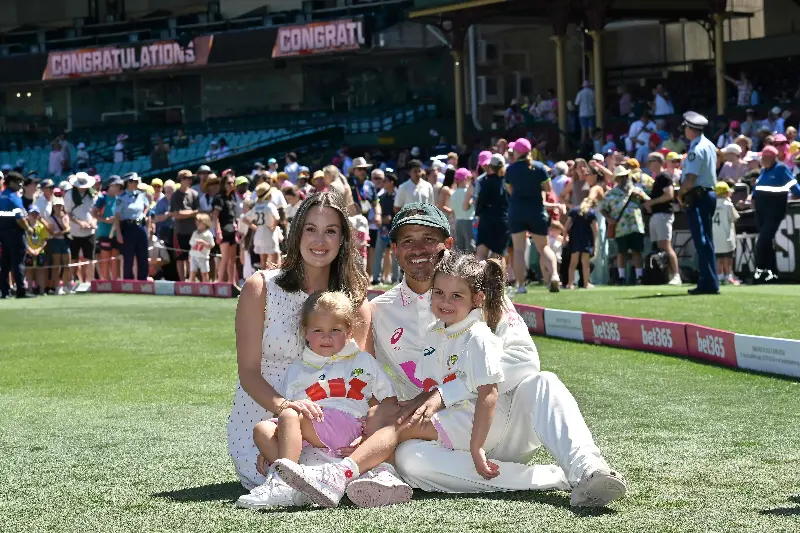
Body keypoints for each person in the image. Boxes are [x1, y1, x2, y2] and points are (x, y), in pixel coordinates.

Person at [352, 203, 626, 505]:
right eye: (407, 240)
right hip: (443, 435)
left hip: (504, 420)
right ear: (394, 249)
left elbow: (524, 359)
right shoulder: (380, 310)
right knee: (410, 462)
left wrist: (446, 392)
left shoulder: (482, 291)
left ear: (448, 245)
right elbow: (366, 376)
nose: (418, 248)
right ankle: (552, 478)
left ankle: (589, 468)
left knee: (543, 382)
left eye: (429, 238)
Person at [274, 251, 533, 508]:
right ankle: (372, 472)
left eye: (456, 296)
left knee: (397, 429)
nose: (445, 301)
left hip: (474, 420)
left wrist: (477, 448)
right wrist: (404, 409)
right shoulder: (436, 332)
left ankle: (342, 474)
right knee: (391, 419)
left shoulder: (478, 335)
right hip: (452, 414)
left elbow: (488, 394)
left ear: (477, 299)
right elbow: (432, 387)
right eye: (439, 293)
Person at [227, 191, 370, 499]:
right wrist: (286, 407)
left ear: (344, 239)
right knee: (291, 470)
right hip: (264, 416)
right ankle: (295, 475)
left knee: (332, 469)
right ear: (296, 233)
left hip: (329, 422)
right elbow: (249, 372)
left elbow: (363, 380)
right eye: (311, 229)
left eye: (331, 231)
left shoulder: (355, 303)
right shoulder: (261, 288)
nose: (320, 240)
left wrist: (364, 435)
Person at [237, 291, 397, 509]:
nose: (326, 337)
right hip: (309, 429)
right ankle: (301, 482)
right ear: (306, 333)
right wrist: (275, 443)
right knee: (262, 430)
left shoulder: (362, 360)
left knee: (289, 413)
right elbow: (284, 417)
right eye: (318, 330)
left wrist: (370, 437)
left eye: (335, 330)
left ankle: (283, 482)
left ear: (349, 331)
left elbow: (389, 401)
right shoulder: (297, 369)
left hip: (347, 425)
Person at [505, 139, 560, 293]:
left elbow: (510, 190)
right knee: (544, 247)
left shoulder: (510, 169)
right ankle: (554, 276)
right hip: (537, 211)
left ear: (517, 152)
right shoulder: (540, 167)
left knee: (519, 250)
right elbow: (548, 189)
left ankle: (521, 285)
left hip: (517, 212)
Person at [677, 111, 720, 295]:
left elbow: (690, 178)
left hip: (698, 196)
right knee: (706, 240)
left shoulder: (696, 149)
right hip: (707, 194)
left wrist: (680, 193)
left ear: (690, 129)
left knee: (701, 240)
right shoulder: (709, 145)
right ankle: (710, 279)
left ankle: (708, 282)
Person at [749, 145, 800, 283]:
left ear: (771, 157)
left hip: (774, 211)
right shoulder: (763, 172)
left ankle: (759, 274)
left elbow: (794, 186)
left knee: (762, 242)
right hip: (761, 213)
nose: (762, 159)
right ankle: (772, 274)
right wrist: (750, 200)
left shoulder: (781, 169)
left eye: (764, 157)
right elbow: (756, 191)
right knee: (766, 243)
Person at [598, 166, 650, 285]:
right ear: (617, 179)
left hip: (636, 225)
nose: (624, 179)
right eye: (621, 177)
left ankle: (639, 276)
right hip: (620, 227)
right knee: (622, 252)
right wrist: (610, 219)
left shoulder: (637, 190)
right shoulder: (611, 193)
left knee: (637, 251)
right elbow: (602, 208)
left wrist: (642, 197)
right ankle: (621, 277)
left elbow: (648, 203)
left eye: (626, 176)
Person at [642, 152, 682, 285]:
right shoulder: (658, 178)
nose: (648, 164)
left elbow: (669, 195)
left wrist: (651, 203)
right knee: (659, 247)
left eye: (650, 161)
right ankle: (667, 275)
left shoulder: (664, 176)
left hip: (664, 214)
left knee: (666, 246)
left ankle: (676, 275)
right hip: (657, 214)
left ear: (658, 162)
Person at [0, 172, 35, 298]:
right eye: (17, 182)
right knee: (18, 263)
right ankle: (21, 290)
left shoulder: (2, 196)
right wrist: (29, 228)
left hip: (4, 233)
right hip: (16, 233)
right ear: (9, 183)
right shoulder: (13, 197)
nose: (20, 184)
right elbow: (19, 218)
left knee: (5, 264)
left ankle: (4, 291)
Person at [114, 173, 150, 281]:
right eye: (133, 181)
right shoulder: (121, 198)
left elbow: (147, 205)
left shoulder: (141, 195)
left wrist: (144, 213)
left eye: (137, 181)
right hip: (128, 227)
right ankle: (128, 280)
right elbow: (117, 216)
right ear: (127, 183)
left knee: (143, 254)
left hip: (140, 226)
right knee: (128, 256)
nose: (136, 183)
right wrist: (119, 233)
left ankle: (143, 279)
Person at [475, 154, 510, 264]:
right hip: (502, 220)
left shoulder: (485, 182)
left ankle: (478, 279)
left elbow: (480, 202)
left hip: (486, 219)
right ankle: (497, 280)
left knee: (481, 253)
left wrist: (478, 215)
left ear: (490, 166)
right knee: (498, 256)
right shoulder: (507, 183)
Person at [64, 172, 97, 287]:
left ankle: (90, 282)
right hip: (74, 232)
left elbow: (95, 212)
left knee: (90, 258)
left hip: (90, 231)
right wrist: (80, 223)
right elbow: (68, 213)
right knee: (74, 258)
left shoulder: (93, 195)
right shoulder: (69, 195)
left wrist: (93, 222)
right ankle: (74, 281)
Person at [171, 170, 200, 281]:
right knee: (180, 257)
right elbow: (176, 214)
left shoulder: (194, 194)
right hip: (180, 231)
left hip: (193, 231)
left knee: (191, 257)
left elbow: (198, 211)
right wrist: (191, 213)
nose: (189, 180)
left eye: (190, 178)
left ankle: (190, 279)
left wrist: (185, 213)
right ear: (181, 179)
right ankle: (182, 280)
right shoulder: (175, 195)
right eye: (187, 178)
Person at [563, 198, 598, 289]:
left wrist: (564, 238)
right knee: (585, 264)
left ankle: (570, 284)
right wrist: (595, 243)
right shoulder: (591, 213)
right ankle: (586, 284)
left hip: (575, 238)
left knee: (573, 263)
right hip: (586, 240)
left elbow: (567, 225)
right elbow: (595, 230)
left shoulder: (574, 211)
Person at [244, 182, 281, 269]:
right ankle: (275, 280)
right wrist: (273, 227)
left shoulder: (256, 206)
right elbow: (277, 218)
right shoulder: (270, 205)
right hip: (269, 233)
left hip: (259, 234)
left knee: (263, 260)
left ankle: (264, 280)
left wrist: (255, 227)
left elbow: (245, 219)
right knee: (275, 258)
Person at [93, 176, 123, 281]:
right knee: (105, 258)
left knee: (115, 258)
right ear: (110, 185)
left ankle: (114, 281)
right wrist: (105, 220)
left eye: (119, 186)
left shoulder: (119, 199)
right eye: (116, 185)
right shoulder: (102, 199)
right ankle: (105, 281)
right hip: (104, 233)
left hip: (115, 233)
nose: (118, 188)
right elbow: (94, 213)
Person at [373, 172, 400, 284]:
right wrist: (382, 219)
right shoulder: (382, 197)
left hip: (395, 230)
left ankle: (395, 279)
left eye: (385, 181)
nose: (383, 183)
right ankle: (376, 279)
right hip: (383, 230)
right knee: (378, 253)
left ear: (391, 182)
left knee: (395, 255)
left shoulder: (399, 195)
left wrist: (392, 218)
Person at [712, 181, 740, 286]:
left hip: (715, 235)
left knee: (719, 257)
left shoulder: (712, 204)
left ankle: (719, 276)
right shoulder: (728, 204)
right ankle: (729, 276)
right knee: (728, 257)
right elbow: (734, 218)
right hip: (726, 235)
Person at [45, 196, 71, 295]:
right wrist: (60, 231)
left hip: (64, 241)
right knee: (57, 265)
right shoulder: (51, 218)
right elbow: (52, 231)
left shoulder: (65, 216)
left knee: (66, 264)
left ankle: (65, 285)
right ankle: (57, 286)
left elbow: (67, 228)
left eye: (60, 206)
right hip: (55, 241)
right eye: (56, 206)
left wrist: (63, 220)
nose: (58, 208)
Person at [216, 174, 239, 284]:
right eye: (228, 183)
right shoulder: (219, 198)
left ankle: (232, 283)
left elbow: (233, 216)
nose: (231, 185)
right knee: (224, 258)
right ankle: (219, 282)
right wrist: (218, 232)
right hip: (223, 231)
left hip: (232, 231)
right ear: (223, 184)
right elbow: (215, 216)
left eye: (232, 183)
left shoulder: (233, 197)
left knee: (232, 259)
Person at [23, 205, 49, 295]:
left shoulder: (41, 227)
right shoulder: (25, 227)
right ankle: (29, 289)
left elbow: (45, 240)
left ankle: (41, 290)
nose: (33, 215)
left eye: (35, 214)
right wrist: (29, 249)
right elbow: (23, 240)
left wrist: (38, 249)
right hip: (28, 252)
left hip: (39, 252)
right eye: (32, 213)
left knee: (40, 271)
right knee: (29, 271)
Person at [450, 168, 475, 253]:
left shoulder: (453, 194)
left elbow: (453, 210)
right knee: (470, 247)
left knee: (460, 248)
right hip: (469, 221)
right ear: (466, 179)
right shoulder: (468, 193)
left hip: (458, 222)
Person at [188, 213, 214, 282]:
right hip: (194, 256)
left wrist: (203, 243)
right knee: (192, 272)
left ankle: (206, 287)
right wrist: (190, 255)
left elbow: (211, 245)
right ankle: (191, 287)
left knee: (204, 273)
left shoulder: (208, 234)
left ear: (205, 223)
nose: (197, 223)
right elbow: (191, 244)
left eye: (199, 222)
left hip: (203, 257)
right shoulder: (195, 233)